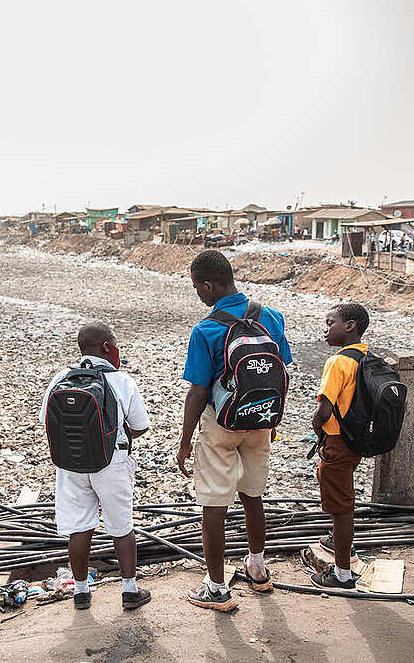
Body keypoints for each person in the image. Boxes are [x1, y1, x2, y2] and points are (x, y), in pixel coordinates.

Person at [177, 250, 293, 611]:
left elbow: (197, 392)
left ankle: (216, 589)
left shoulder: (207, 329)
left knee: (214, 504)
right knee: (253, 496)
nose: (198, 294)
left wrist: (184, 442)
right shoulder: (270, 316)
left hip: (222, 423)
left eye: (198, 288)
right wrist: (271, 419)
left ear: (209, 285)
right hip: (260, 420)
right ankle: (258, 569)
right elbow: (281, 374)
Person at [39, 323, 152, 610]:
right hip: (112, 462)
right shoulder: (121, 381)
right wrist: (116, 432)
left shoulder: (61, 377)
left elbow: (46, 421)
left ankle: (80, 592)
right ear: (106, 347)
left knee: (79, 528)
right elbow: (141, 425)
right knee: (121, 527)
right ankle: (129, 591)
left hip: (70, 465)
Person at [310, 302, 371, 588]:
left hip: (337, 441)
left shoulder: (338, 362)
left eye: (330, 322)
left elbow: (323, 411)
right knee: (343, 497)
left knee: (341, 507)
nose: (326, 329)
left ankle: (342, 573)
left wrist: (318, 432)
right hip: (356, 439)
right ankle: (340, 543)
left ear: (350, 326)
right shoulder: (366, 357)